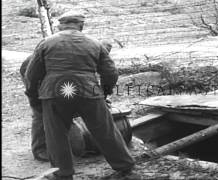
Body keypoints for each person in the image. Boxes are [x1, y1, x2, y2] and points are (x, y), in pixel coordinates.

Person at [24, 11, 135, 180]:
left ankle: (63, 173)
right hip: (88, 91)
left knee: (57, 135)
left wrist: (33, 95)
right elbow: (111, 73)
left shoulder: (46, 43)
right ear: (81, 26)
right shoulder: (95, 43)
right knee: (106, 130)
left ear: (60, 26)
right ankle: (125, 165)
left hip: (54, 93)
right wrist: (104, 92)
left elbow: (32, 74)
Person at [20, 55, 49, 162]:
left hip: (51, 75)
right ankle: (39, 149)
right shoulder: (33, 65)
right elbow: (31, 81)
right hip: (31, 73)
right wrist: (34, 99)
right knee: (39, 112)